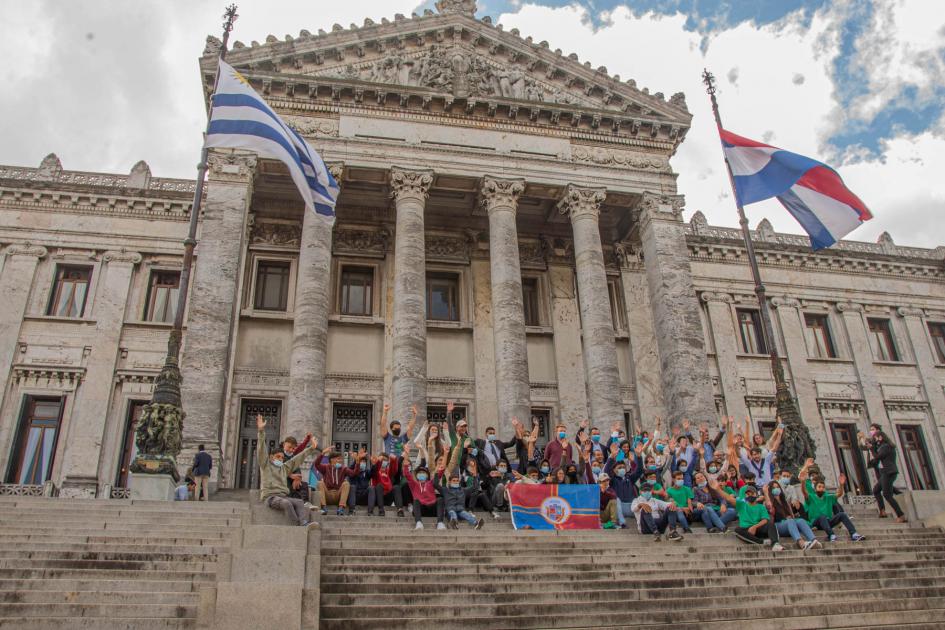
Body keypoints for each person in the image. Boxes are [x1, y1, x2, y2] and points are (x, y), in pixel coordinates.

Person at [255, 414, 318, 526]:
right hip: (271, 497)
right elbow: (261, 451)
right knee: (287, 503)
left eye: (282, 458)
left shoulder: (284, 468)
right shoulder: (265, 465)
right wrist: (261, 431)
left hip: (283, 496)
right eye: (278, 457)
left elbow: (297, 459)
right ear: (271, 457)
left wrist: (312, 448)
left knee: (299, 502)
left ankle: (305, 522)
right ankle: (297, 524)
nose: (281, 459)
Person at [800, 465, 866, 542]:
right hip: (816, 523)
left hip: (828, 522)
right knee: (822, 517)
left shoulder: (828, 497)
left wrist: (841, 485)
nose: (821, 489)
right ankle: (831, 535)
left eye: (823, 487)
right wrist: (803, 482)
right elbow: (804, 492)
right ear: (815, 489)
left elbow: (839, 494)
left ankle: (854, 534)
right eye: (819, 487)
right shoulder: (811, 497)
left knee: (842, 514)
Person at [860, 426, 907, 522]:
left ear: (881, 437)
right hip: (885, 472)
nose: (875, 440)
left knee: (887, 494)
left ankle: (901, 515)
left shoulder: (886, 447)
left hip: (889, 472)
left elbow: (877, 456)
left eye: (876, 438)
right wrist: (864, 441)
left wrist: (872, 449)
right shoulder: (882, 446)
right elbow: (871, 449)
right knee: (876, 490)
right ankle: (882, 511)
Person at [724, 482, 784, 551]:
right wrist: (717, 489)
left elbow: (765, 520)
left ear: (756, 494)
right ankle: (761, 542)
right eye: (748, 494)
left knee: (770, 524)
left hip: (759, 529)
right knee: (737, 530)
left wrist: (754, 527)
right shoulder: (742, 505)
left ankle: (775, 544)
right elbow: (728, 498)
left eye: (752, 494)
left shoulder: (761, 507)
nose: (750, 496)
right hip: (748, 531)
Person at [766, 479, 821, 550]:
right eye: (773, 488)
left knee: (800, 520)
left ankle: (813, 540)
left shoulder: (784, 501)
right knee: (790, 521)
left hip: (789, 524)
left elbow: (791, 516)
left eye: (777, 487)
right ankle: (801, 543)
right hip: (777, 526)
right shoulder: (770, 502)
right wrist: (766, 494)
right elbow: (770, 510)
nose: (776, 489)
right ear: (770, 490)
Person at [402, 443, 446, 529]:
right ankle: (419, 523)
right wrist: (406, 453)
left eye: (423, 473)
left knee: (440, 499)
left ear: (427, 475)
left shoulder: (431, 482)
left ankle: (440, 523)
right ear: (417, 475)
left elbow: (441, 470)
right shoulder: (414, 484)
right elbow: (406, 472)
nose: (421, 474)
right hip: (421, 509)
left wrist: (445, 454)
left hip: (432, 509)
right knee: (416, 501)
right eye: (420, 473)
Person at [314, 449, 354, 516]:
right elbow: (316, 464)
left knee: (346, 484)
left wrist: (357, 461)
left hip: (338, 495)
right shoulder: (326, 467)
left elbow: (353, 473)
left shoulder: (343, 469)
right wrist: (322, 453)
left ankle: (341, 509)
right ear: (332, 459)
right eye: (338, 459)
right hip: (328, 495)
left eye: (341, 459)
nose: (340, 461)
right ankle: (324, 508)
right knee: (319, 483)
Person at [368, 452, 402, 516]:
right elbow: (373, 471)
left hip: (387, 497)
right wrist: (378, 462)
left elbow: (394, 470)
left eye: (386, 460)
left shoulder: (388, 471)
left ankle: (400, 510)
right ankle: (381, 510)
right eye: (383, 460)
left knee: (396, 487)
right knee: (379, 486)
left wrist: (394, 460)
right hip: (377, 497)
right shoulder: (376, 470)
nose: (384, 462)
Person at [347, 449, 374, 515]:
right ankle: (352, 510)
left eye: (364, 462)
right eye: (361, 461)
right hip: (354, 496)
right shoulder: (353, 471)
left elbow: (373, 472)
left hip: (364, 496)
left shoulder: (367, 472)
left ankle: (370, 511)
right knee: (352, 487)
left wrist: (374, 464)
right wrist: (356, 461)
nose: (363, 463)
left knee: (371, 488)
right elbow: (351, 469)